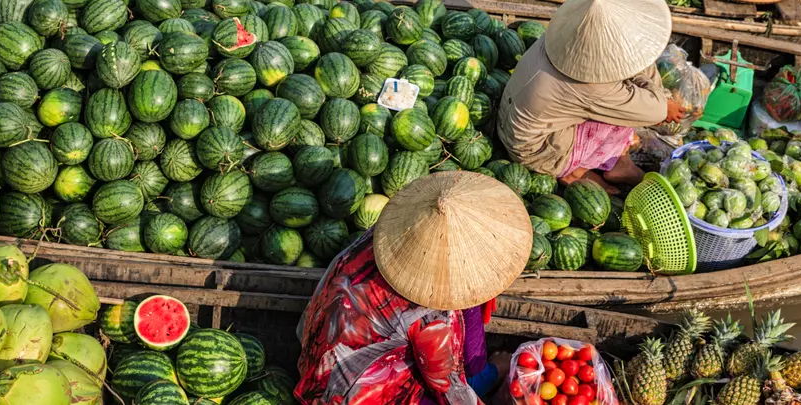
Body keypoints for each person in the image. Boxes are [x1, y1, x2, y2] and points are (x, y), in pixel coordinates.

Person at [294, 171, 534, 405]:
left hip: (321, 349)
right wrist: (495, 372)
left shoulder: (385, 235)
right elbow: (451, 393)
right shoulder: (432, 319)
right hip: (349, 391)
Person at [497, 0, 686, 195]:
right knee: (625, 111)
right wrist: (665, 103)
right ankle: (601, 166)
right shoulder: (592, 86)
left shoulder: (566, 36)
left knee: (618, 101)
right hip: (535, 152)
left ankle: (582, 167)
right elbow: (655, 112)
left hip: (510, 120)